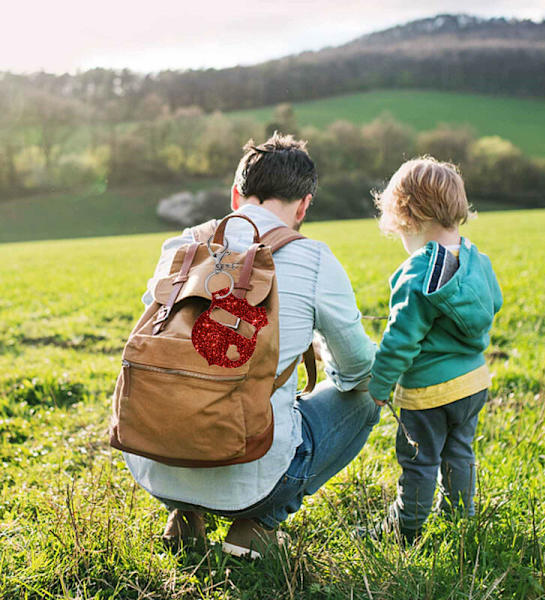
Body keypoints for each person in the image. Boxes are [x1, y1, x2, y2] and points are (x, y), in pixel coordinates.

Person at [123, 133, 378, 558]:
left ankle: (184, 512)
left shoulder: (182, 245)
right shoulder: (313, 260)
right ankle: (257, 524)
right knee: (369, 394)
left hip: (151, 457)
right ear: (304, 205)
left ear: (236, 195)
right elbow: (357, 370)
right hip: (257, 480)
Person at [367, 156, 503, 543]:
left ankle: (404, 528)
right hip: (474, 383)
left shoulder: (417, 271)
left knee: (419, 461)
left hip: (428, 394)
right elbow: (494, 304)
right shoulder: (479, 260)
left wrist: (379, 386)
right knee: (460, 453)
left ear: (407, 214)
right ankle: (461, 519)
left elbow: (400, 339)